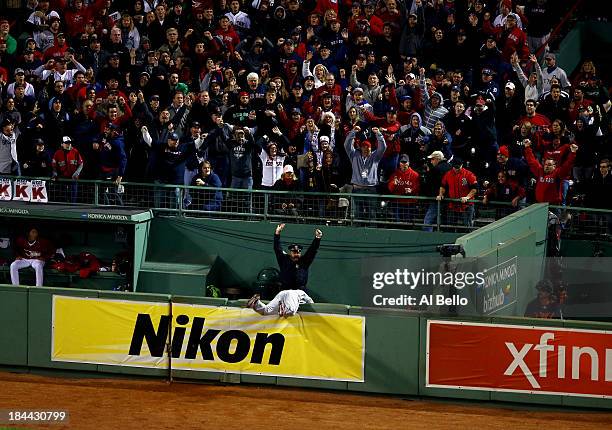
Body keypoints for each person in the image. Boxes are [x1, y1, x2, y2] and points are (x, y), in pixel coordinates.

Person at [246, 223, 322, 317]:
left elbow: (312, 251)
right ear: (290, 252)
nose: (296, 254)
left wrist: (317, 239)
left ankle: (284, 309)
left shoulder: (304, 261)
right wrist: (277, 233)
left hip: (298, 293)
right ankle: (256, 304)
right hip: (284, 291)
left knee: (291, 304)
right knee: (267, 310)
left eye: (298, 252)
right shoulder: (284, 259)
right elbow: (277, 248)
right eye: (294, 252)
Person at [438, 157, 478, 228]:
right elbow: (442, 186)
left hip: (466, 205)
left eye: (458, 167)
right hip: (453, 205)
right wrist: (441, 194)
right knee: (450, 226)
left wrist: (467, 197)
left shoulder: (468, 174)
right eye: (455, 167)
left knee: (468, 226)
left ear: (462, 165)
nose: (456, 169)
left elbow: (475, 189)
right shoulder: (448, 174)